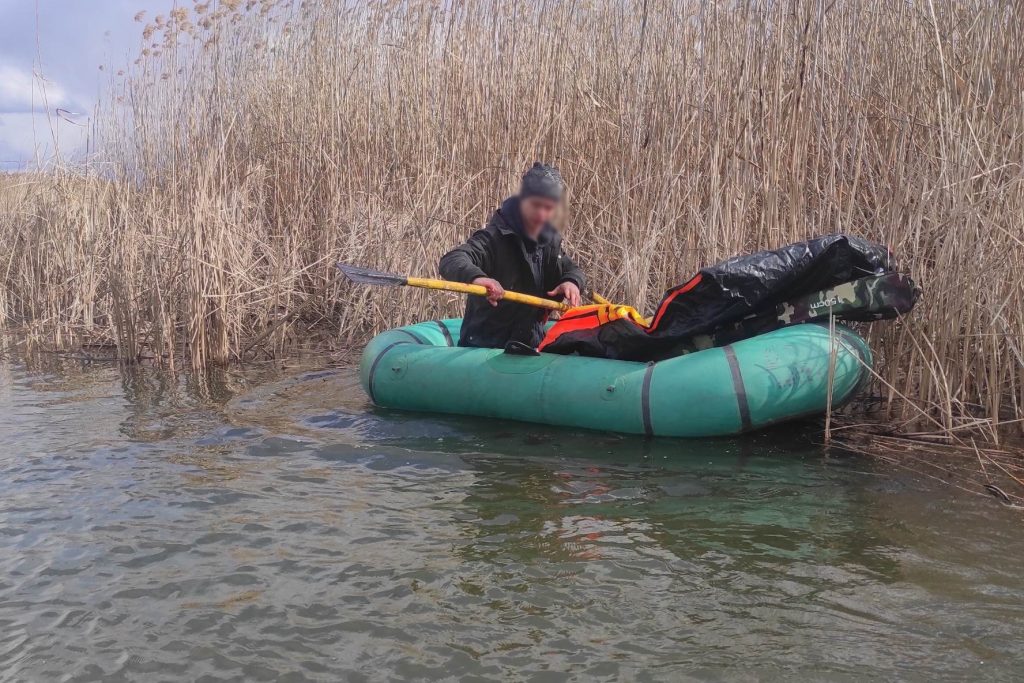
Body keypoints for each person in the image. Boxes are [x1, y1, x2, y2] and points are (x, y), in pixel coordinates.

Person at [439, 163, 587, 349]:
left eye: (548, 208)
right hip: (484, 348)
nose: (541, 215)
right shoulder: (493, 237)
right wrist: (478, 278)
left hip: (530, 347)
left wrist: (572, 282)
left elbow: (573, 269)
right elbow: (452, 259)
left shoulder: (549, 243)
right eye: (535, 205)